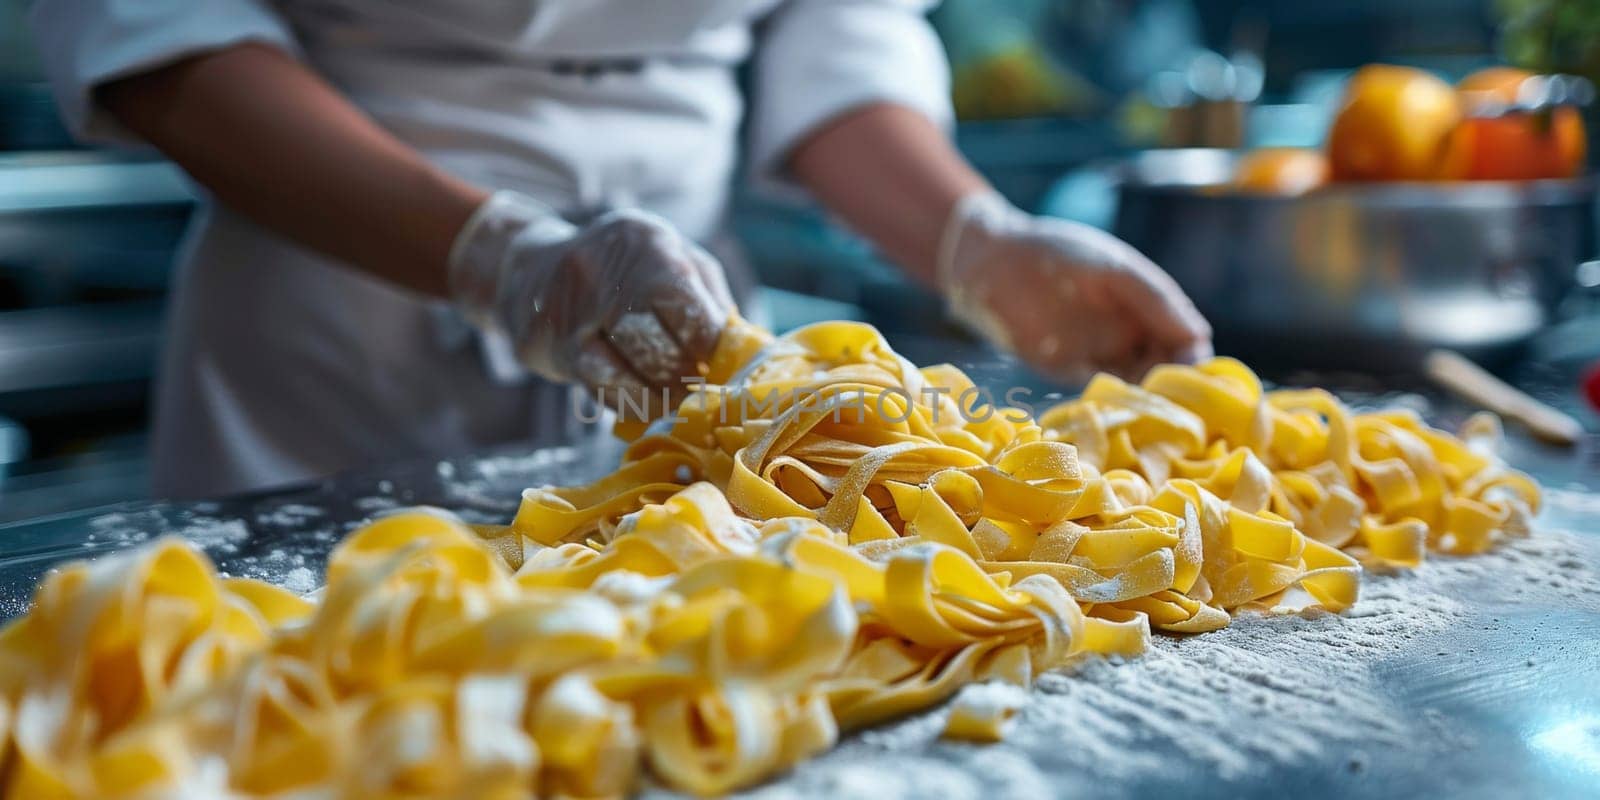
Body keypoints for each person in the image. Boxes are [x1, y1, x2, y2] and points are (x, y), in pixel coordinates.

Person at [31, 0, 1212, 499]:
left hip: (690, 351)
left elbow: (833, 30)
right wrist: (503, 257)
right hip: (336, 321)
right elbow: (162, 37)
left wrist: (974, 241)